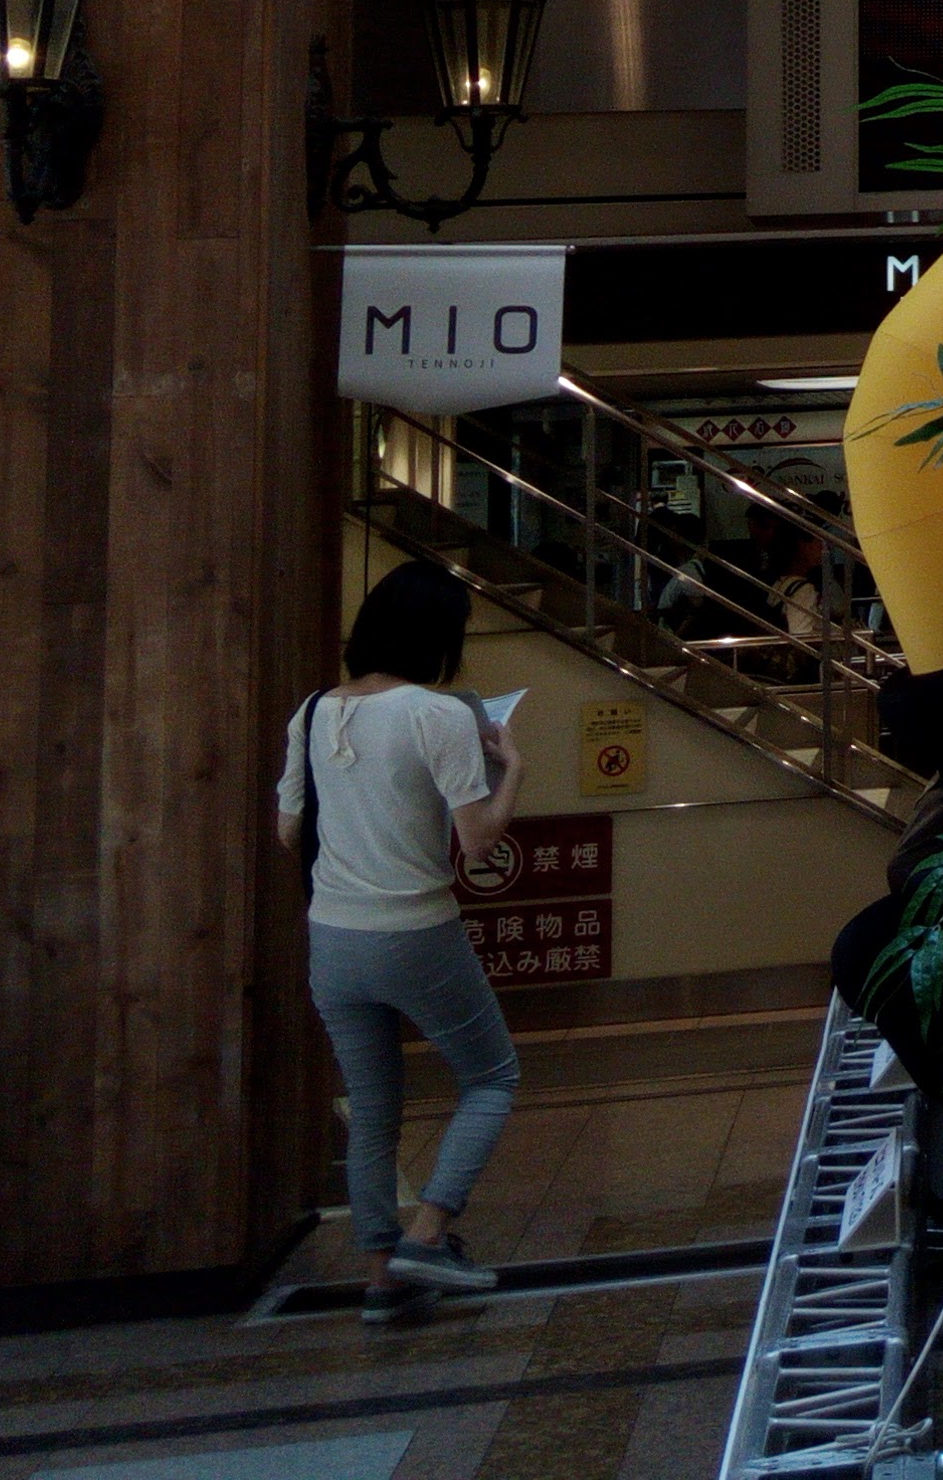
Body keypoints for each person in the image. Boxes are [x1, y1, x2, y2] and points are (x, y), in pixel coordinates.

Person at [277, 559, 526, 1322]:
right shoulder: (438, 715)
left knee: (373, 1107)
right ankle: (428, 1234)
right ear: (436, 639)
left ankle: (382, 1280)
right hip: (415, 931)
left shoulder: (312, 711)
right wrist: (512, 769)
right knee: (492, 1077)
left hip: (332, 939)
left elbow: (288, 831)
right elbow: (478, 843)